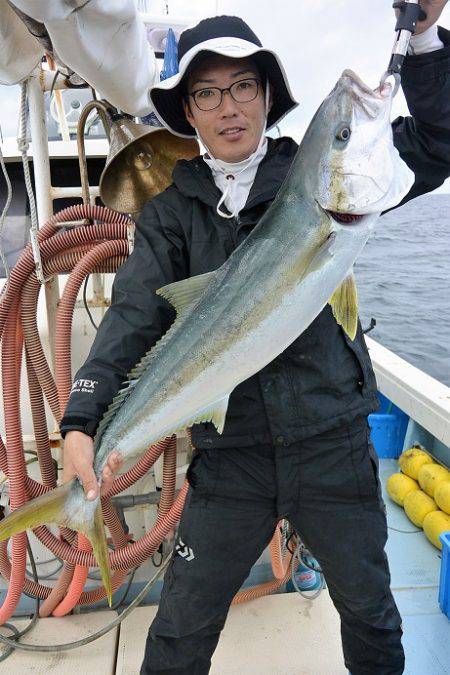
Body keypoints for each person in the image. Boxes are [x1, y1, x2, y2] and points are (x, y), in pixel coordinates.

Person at [60, 8, 450, 675]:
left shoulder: (318, 178)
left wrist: (419, 39)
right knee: (181, 629)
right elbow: (131, 318)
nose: (228, 106)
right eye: (207, 92)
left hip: (331, 443)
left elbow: (440, 143)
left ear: (269, 96)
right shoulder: (171, 214)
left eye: (243, 85)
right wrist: (80, 422)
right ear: (188, 110)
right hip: (230, 456)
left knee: (371, 612)